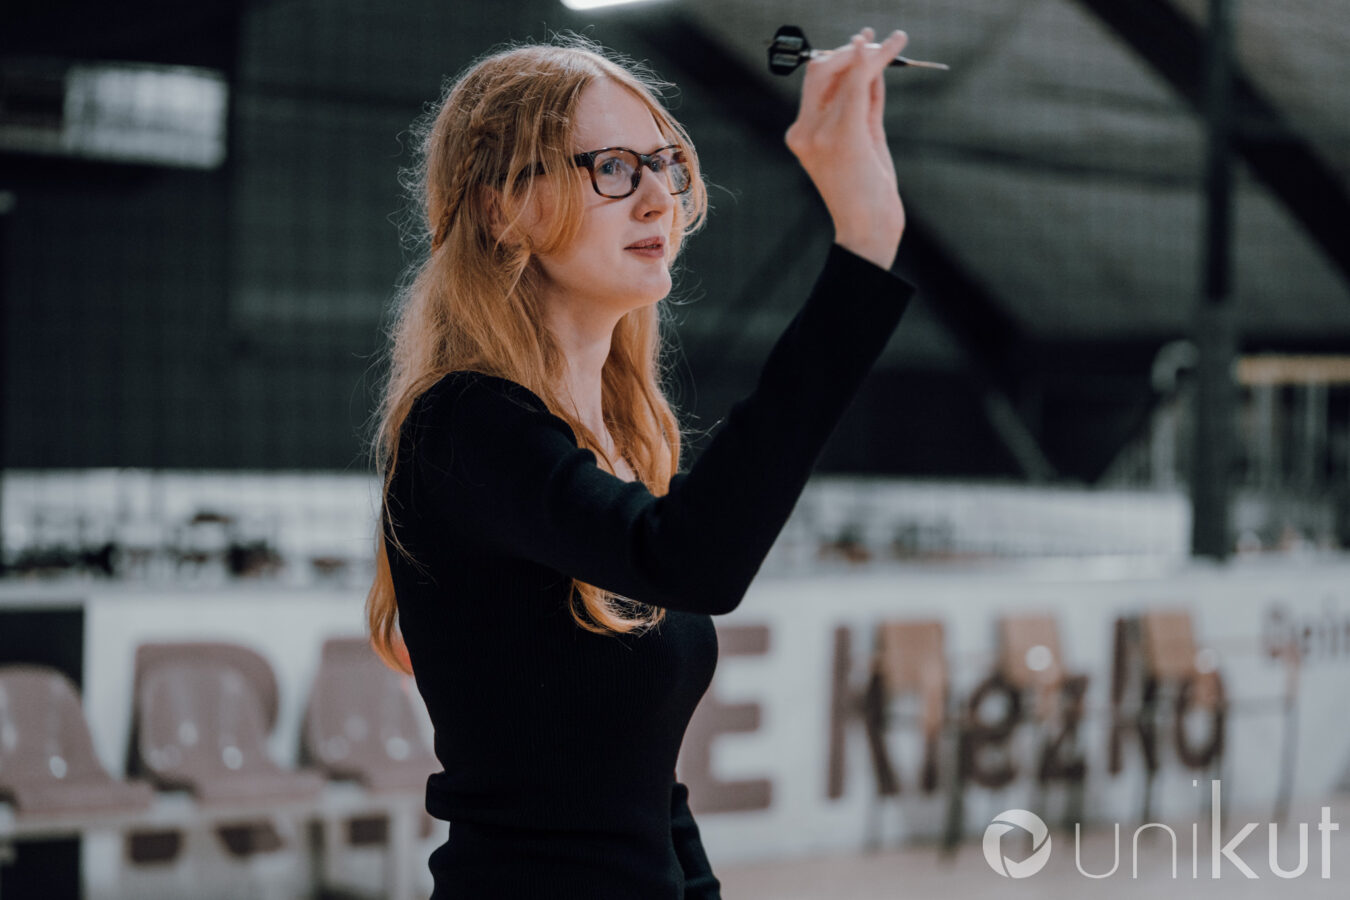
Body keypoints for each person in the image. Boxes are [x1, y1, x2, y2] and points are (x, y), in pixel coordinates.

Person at [366, 26, 915, 900]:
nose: (660, 197)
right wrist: (864, 246)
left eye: (665, 164)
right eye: (613, 168)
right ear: (501, 209)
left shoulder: (615, 441)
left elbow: (645, 791)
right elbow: (693, 559)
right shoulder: (465, 427)